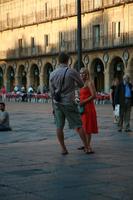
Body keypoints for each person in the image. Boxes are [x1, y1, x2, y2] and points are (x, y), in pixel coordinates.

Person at [49, 52, 89, 155]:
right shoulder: (71, 72)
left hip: (57, 104)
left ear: (58, 61)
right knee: (78, 125)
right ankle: (87, 147)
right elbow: (81, 85)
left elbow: (52, 93)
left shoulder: (52, 74)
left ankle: (63, 149)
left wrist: (53, 107)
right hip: (69, 102)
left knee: (59, 127)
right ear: (68, 60)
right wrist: (72, 85)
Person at [78, 67, 98, 153]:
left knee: (88, 126)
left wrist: (83, 102)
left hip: (88, 107)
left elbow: (94, 95)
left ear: (87, 74)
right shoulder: (82, 83)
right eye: (81, 73)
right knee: (83, 126)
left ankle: (88, 145)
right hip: (83, 107)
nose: (82, 75)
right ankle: (85, 144)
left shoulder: (90, 83)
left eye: (83, 73)